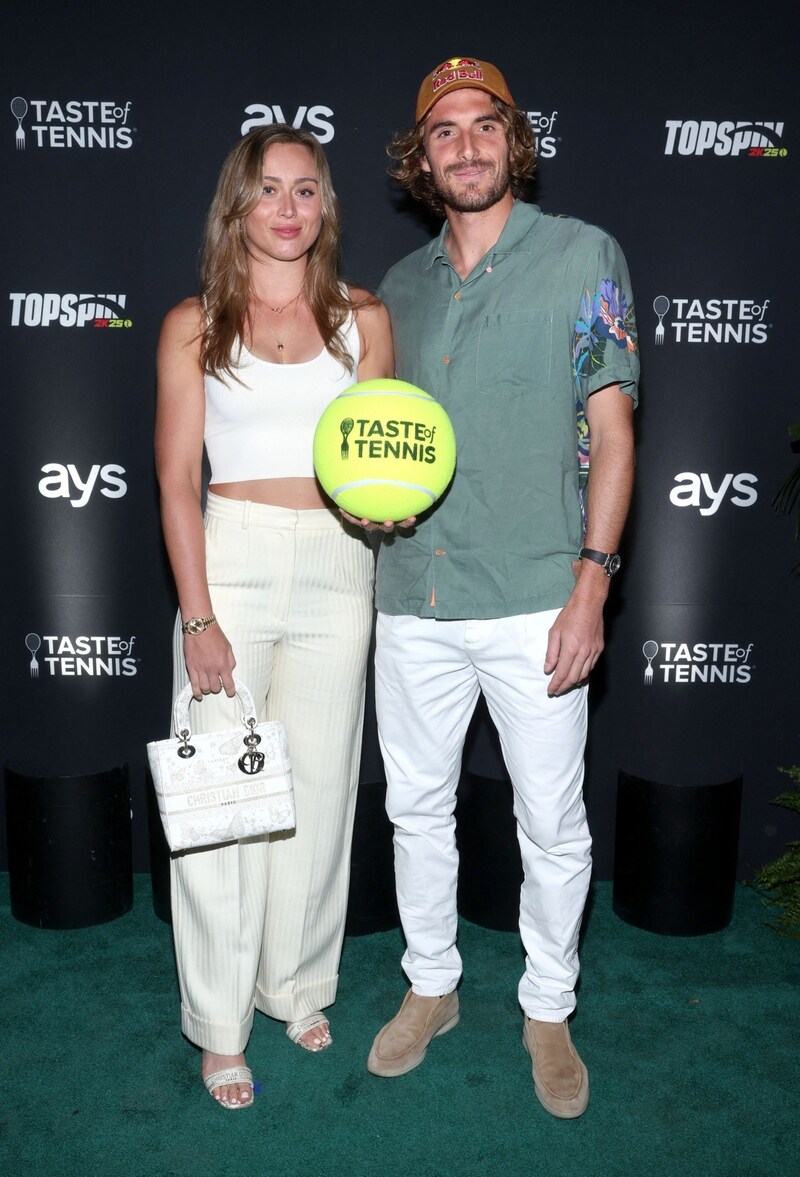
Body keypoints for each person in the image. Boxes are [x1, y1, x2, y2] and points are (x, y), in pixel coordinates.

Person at [362, 57, 639, 1118]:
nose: (466, 145)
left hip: (536, 595)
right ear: (420, 157)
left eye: (485, 125)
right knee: (418, 811)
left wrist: (591, 586)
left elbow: (611, 435)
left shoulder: (580, 256)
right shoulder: (396, 288)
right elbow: (377, 452)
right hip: (414, 594)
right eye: (444, 131)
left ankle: (545, 1005)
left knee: (549, 820)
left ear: (511, 142)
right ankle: (429, 984)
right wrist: (367, 504)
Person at [154, 125, 393, 1109]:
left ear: (324, 206)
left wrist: (390, 504)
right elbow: (174, 481)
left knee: (321, 791)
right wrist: (197, 615)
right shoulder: (193, 322)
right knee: (221, 805)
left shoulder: (364, 317)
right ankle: (219, 1025)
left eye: (305, 189)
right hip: (232, 560)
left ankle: (294, 984)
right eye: (267, 190)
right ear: (237, 207)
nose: (287, 208)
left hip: (341, 563)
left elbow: (381, 463)